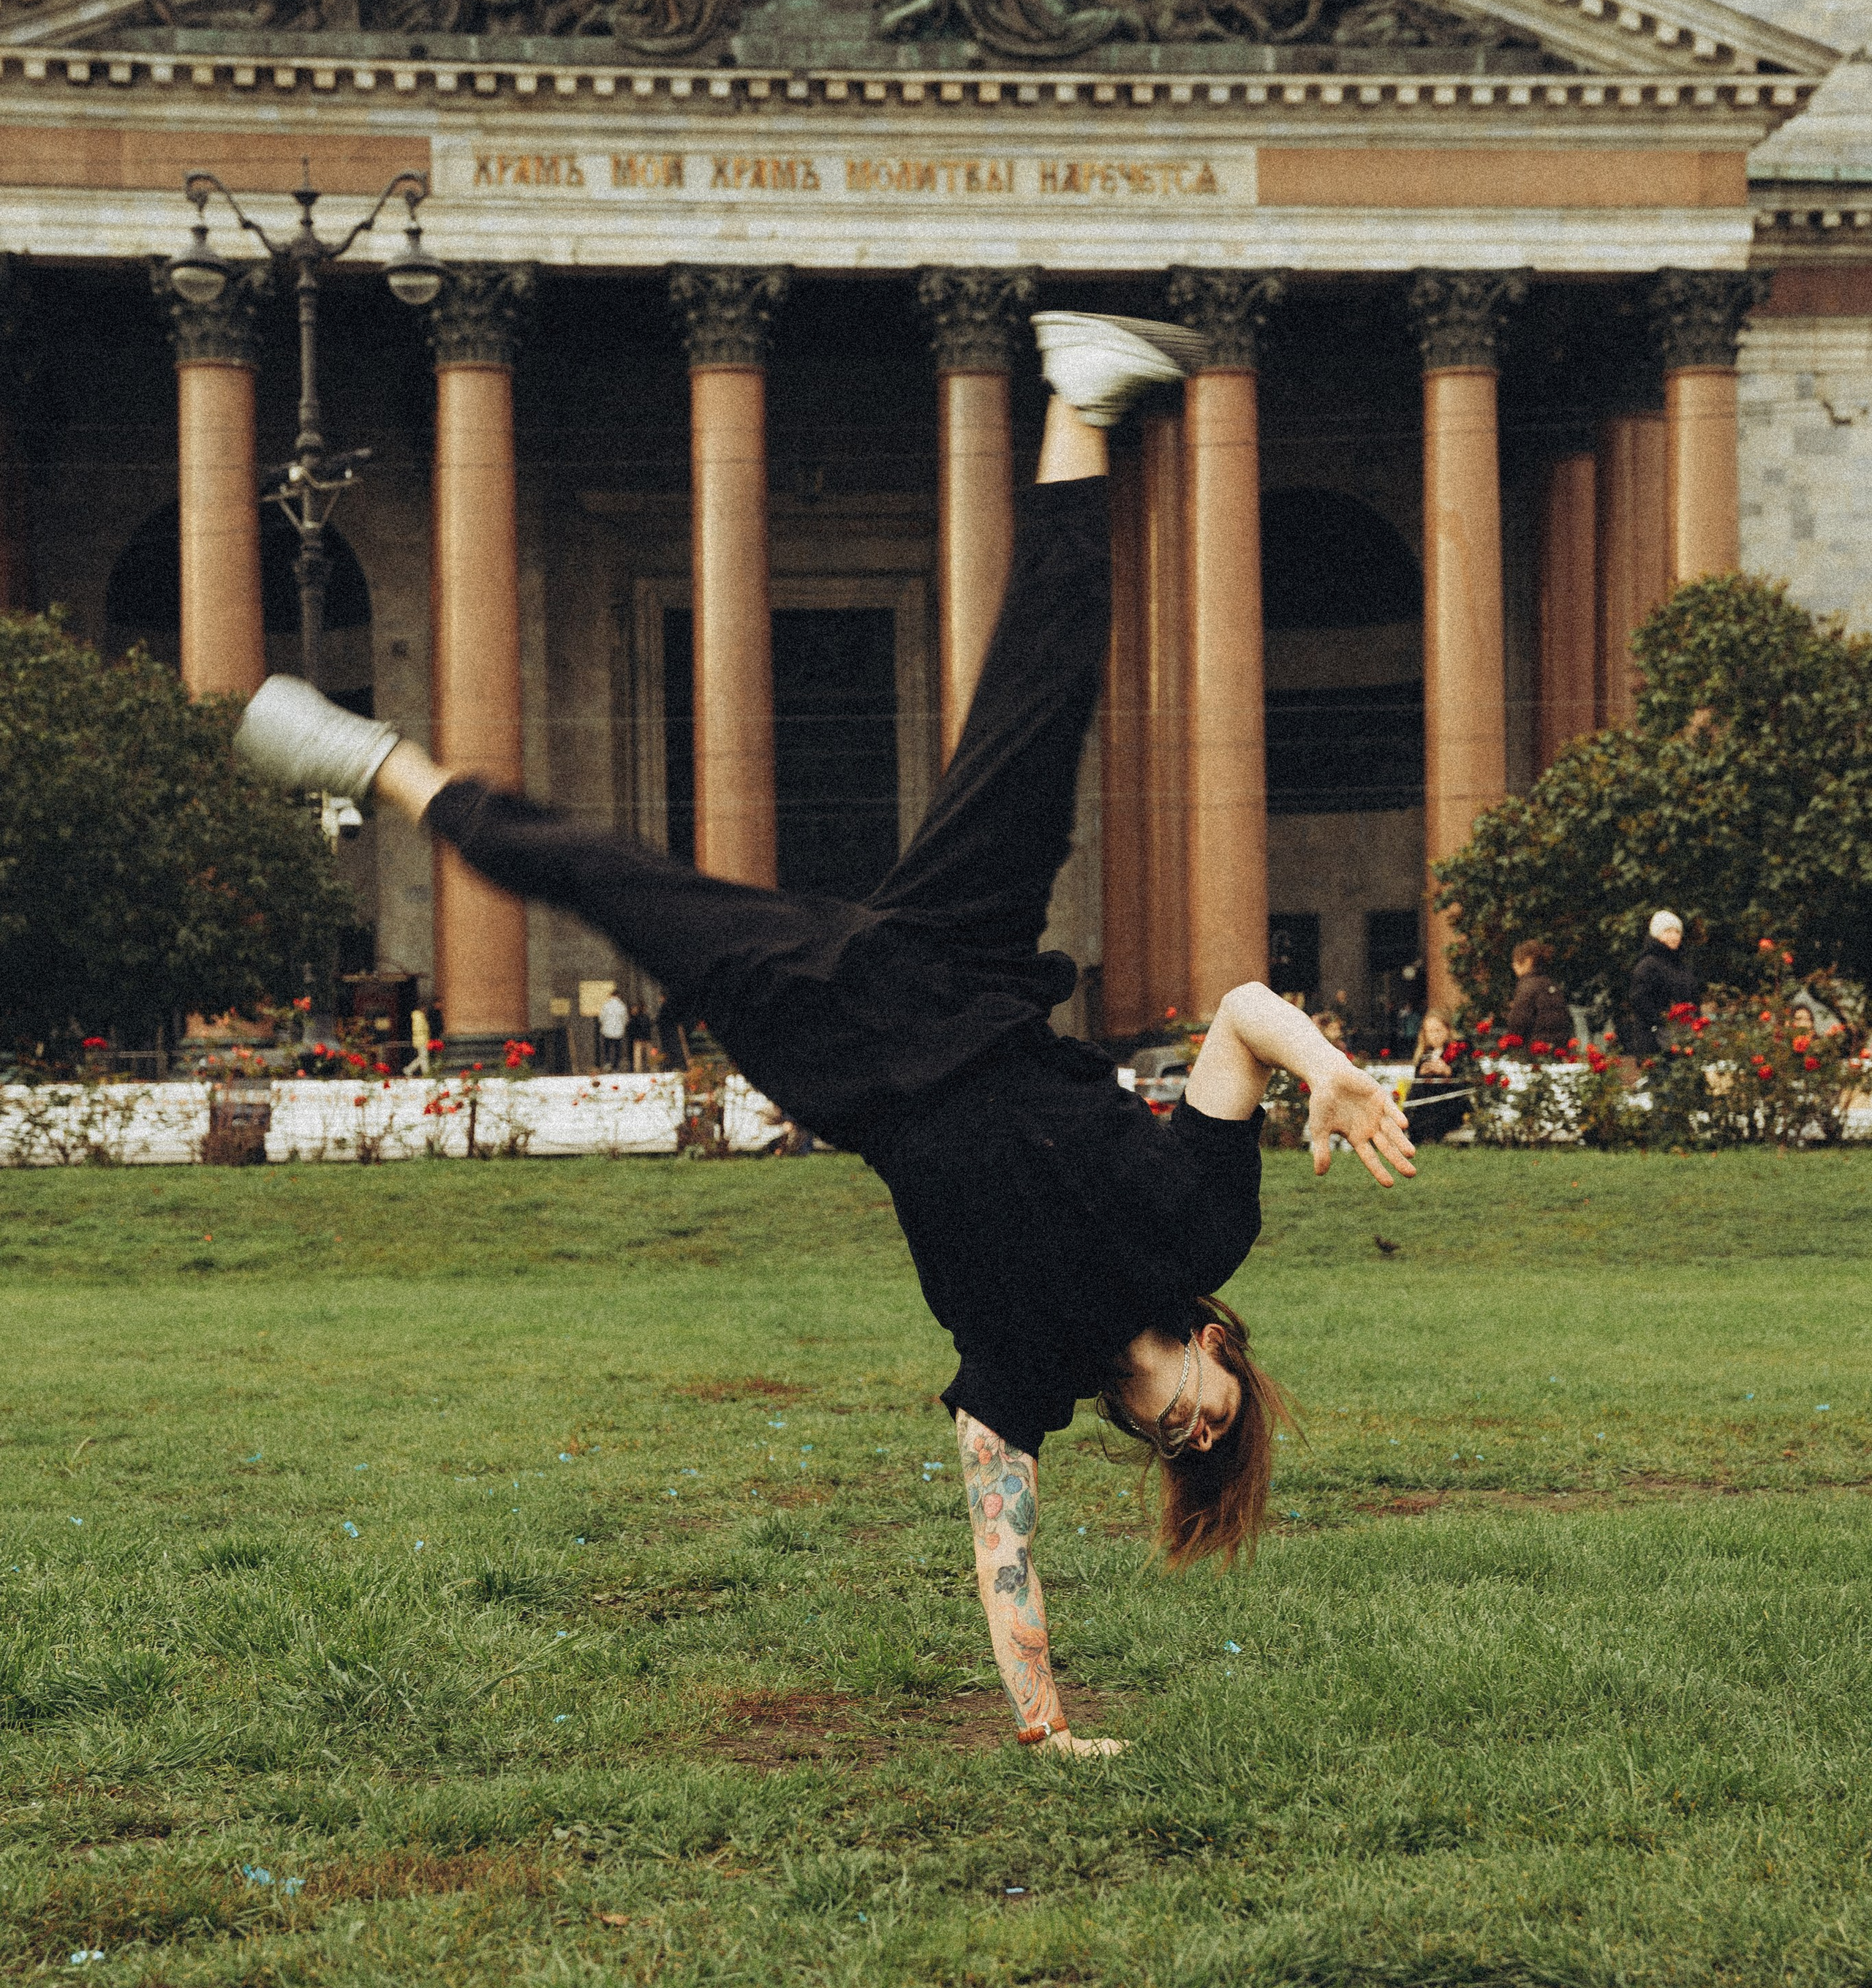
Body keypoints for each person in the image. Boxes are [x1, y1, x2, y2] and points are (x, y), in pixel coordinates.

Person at [234, 312, 1415, 1759]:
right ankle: (1079, 397)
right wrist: (1331, 1069)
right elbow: (1236, 1013)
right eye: (1225, 1419)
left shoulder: (1018, 1373)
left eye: (1190, 1455)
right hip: (962, 965)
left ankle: (387, 766)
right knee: (1035, 708)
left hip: (845, 1043)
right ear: (1225, 1359)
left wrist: (1042, 1726)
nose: (1196, 1430)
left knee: (626, 888)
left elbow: (1002, 1554)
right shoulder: (1201, 1229)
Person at [1628, 910, 1697, 1059]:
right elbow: (1640, 1001)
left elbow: (1693, 998)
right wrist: (1664, 1020)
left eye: (1677, 932)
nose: (1674, 936)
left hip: (1684, 1038)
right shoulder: (1647, 966)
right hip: (1656, 1043)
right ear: (1657, 935)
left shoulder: (1682, 966)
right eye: (1668, 931)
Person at [1403, 1010, 1471, 1143]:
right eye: (1431, 1032)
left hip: (1449, 1104)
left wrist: (1447, 1071)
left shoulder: (1459, 1050)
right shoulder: (1424, 1055)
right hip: (1426, 1104)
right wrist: (1422, 1075)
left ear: (1448, 1030)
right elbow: (1415, 1088)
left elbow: (1468, 1079)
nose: (1435, 1036)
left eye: (1438, 1030)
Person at [1504, 941, 1571, 1050]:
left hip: (1535, 1051)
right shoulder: (1552, 984)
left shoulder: (1528, 987)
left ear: (1528, 961)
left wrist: (1509, 1046)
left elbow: (1518, 1023)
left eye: (1517, 961)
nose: (1514, 966)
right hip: (1559, 1050)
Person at [595, 990, 628, 1072]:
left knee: (607, 1048)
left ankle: (607, 1063)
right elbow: (625, 1019)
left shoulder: (606, 1005)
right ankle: (616, 1066)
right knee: (617, 1049)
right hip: (619, 1031)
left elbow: (601, 1018)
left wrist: (604, 1025)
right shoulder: (622, 1006)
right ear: (619, 996)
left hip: (607, 1030)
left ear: (611, 995)